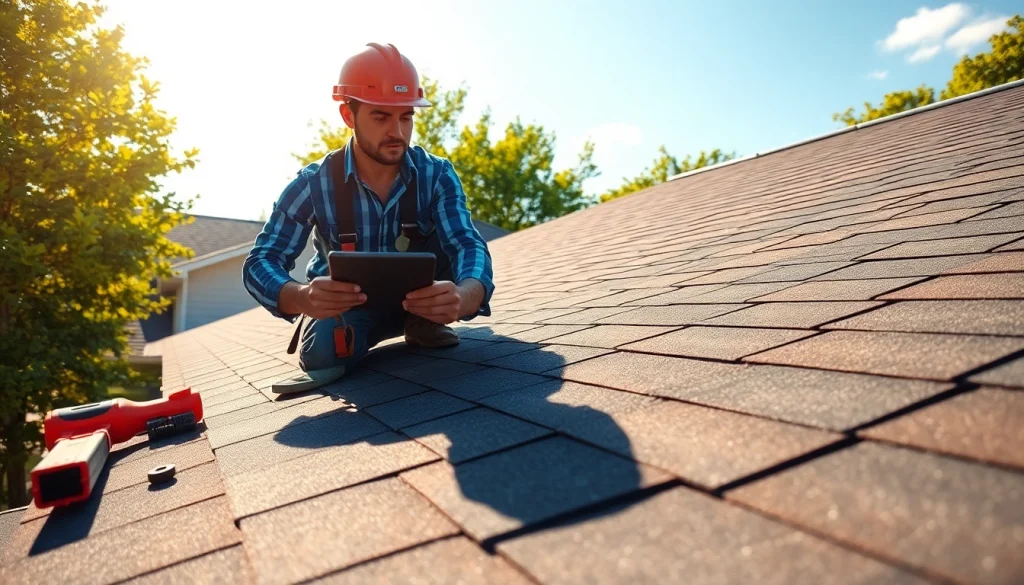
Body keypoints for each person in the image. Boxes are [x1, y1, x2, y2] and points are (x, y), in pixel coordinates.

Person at [242, 43, 495, 394]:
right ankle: (376, 331)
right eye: (381, 116)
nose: (398, 131)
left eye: (406, 116)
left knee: (453, 240)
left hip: (425, 298)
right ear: (348, 116)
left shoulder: (436, 175)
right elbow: (261, 261)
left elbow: (467, 243)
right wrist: (301, 297)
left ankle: (421, 321)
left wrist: (466, 296)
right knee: (323, 355)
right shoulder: (313, 184)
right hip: (349, 306)